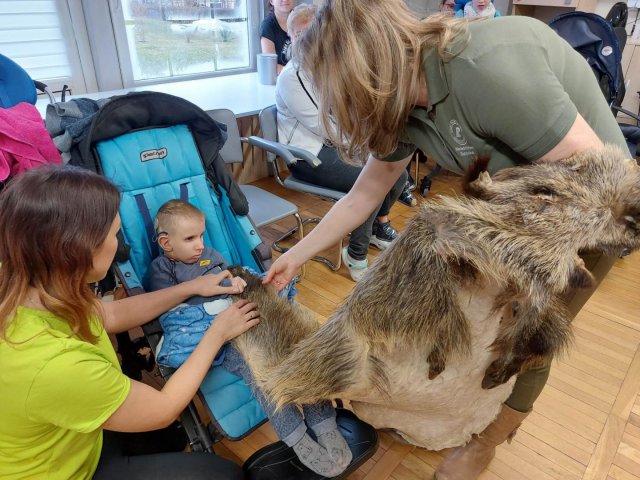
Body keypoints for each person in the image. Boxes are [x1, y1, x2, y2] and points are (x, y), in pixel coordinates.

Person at [264, 1, 630, 479]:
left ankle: (487, 444)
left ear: (363, 68)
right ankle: (449, 409)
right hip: (509, 212)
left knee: (522, 339)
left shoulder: (485, 70)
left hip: (591, 216)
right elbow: (364, 195)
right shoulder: (398, 101)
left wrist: (482, 246)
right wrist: (294, 256)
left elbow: (602, 187)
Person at [0, 166, 255, 480]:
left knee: (170, 439)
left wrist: (191, 287)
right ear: (76, 248)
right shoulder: (49, 363)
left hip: (70, 430)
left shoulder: (31, 281)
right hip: (64, 470)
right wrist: (218, 332)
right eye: (113, 234)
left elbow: (110, 316)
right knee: (225, 475)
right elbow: (162, 408)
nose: (119, 246)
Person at [147, 199, 353, 478]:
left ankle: (324, 421)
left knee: (298, 350)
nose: (200, 244)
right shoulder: (162, 271)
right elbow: (168, 308)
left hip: (244, 314)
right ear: (166, 244)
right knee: (259, 372)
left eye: (201, 235)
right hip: (220, 336)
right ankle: (296, 437)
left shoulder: (209, 254)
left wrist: (238, 283)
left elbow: (230, 274)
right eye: (190, 238)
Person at [276, 3, 408, 281]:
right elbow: (328, 129)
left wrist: (371, 149)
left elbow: (351, 114)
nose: (306, 38)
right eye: (299, 33)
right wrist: (367, 151)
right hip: (307, 155)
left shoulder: (328, 68)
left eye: (311, 31)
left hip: (340, 146)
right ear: (291, 37)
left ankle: (375, 227)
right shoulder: (292, 77)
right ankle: (356, 253)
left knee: (398, 173)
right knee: (368, 179)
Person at [260, 0, 295, 74]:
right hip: (282, 78)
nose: (285, 0)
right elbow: (270, 65)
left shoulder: (301, 19)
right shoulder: (267, 26)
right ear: (271, 1)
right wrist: (296, 74)